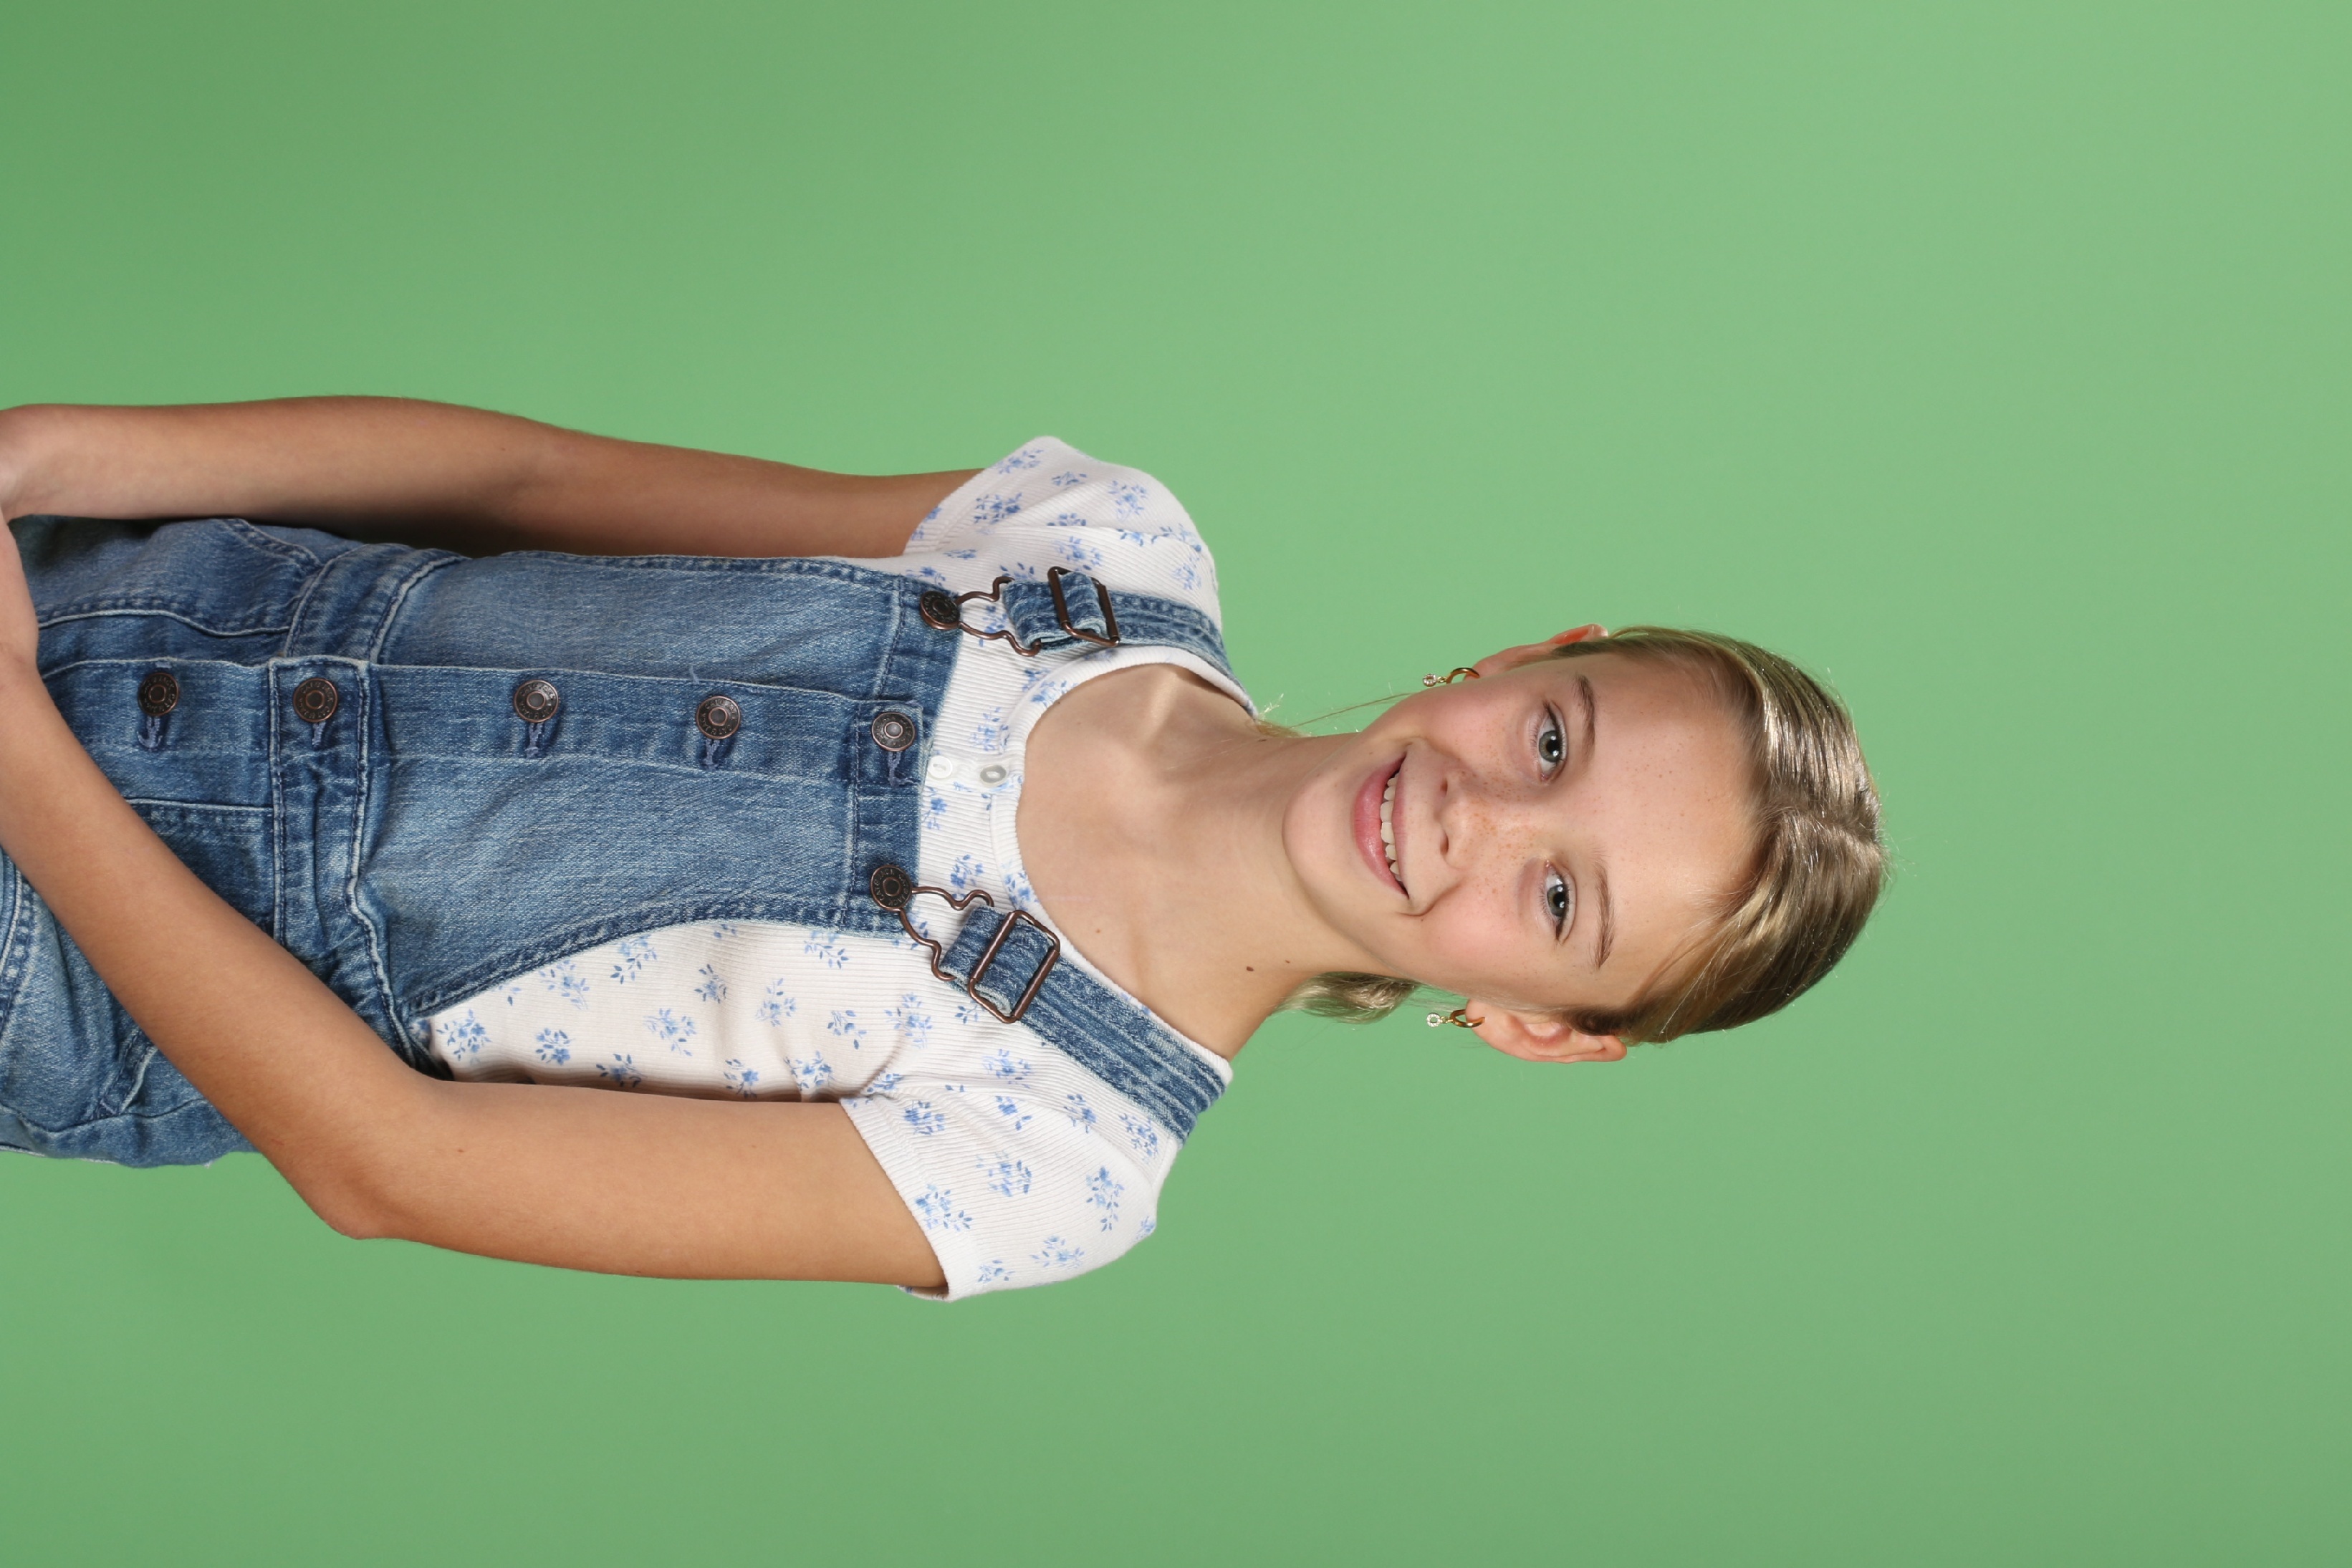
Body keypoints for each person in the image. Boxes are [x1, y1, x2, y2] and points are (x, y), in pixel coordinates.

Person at [0, 398, 1885, 1298]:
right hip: (89, 581)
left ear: (1538, 1026)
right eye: (1553, 741)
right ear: (1529, 657)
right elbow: (528, 487)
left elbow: (384, 1162)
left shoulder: (1058, 1156)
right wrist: (49, 458)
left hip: (53, 956)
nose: (1483, 816)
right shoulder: (1101, 550)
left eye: (1558, 901)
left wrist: (14, 744)